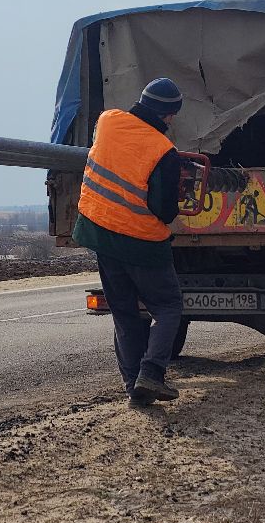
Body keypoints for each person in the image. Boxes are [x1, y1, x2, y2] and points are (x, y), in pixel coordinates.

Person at [74, 77, 187, 408]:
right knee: (167, 307)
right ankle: (152, 372)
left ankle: (133, 386)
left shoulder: (107, 121)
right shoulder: (164, 151)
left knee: (125, 314)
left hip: (99, 233)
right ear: (169, 115)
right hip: (140, 242)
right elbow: (164, 210)